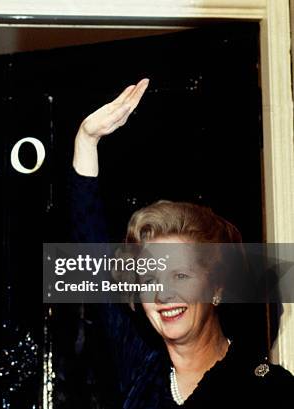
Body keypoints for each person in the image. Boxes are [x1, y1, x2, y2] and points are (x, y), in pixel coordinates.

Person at [70, 79, 294, 408]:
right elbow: (89, 253)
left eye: (181, 276)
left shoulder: (268, 389)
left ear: (216, 288)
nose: (162, 294)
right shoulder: (140, 371)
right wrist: (86, 140)